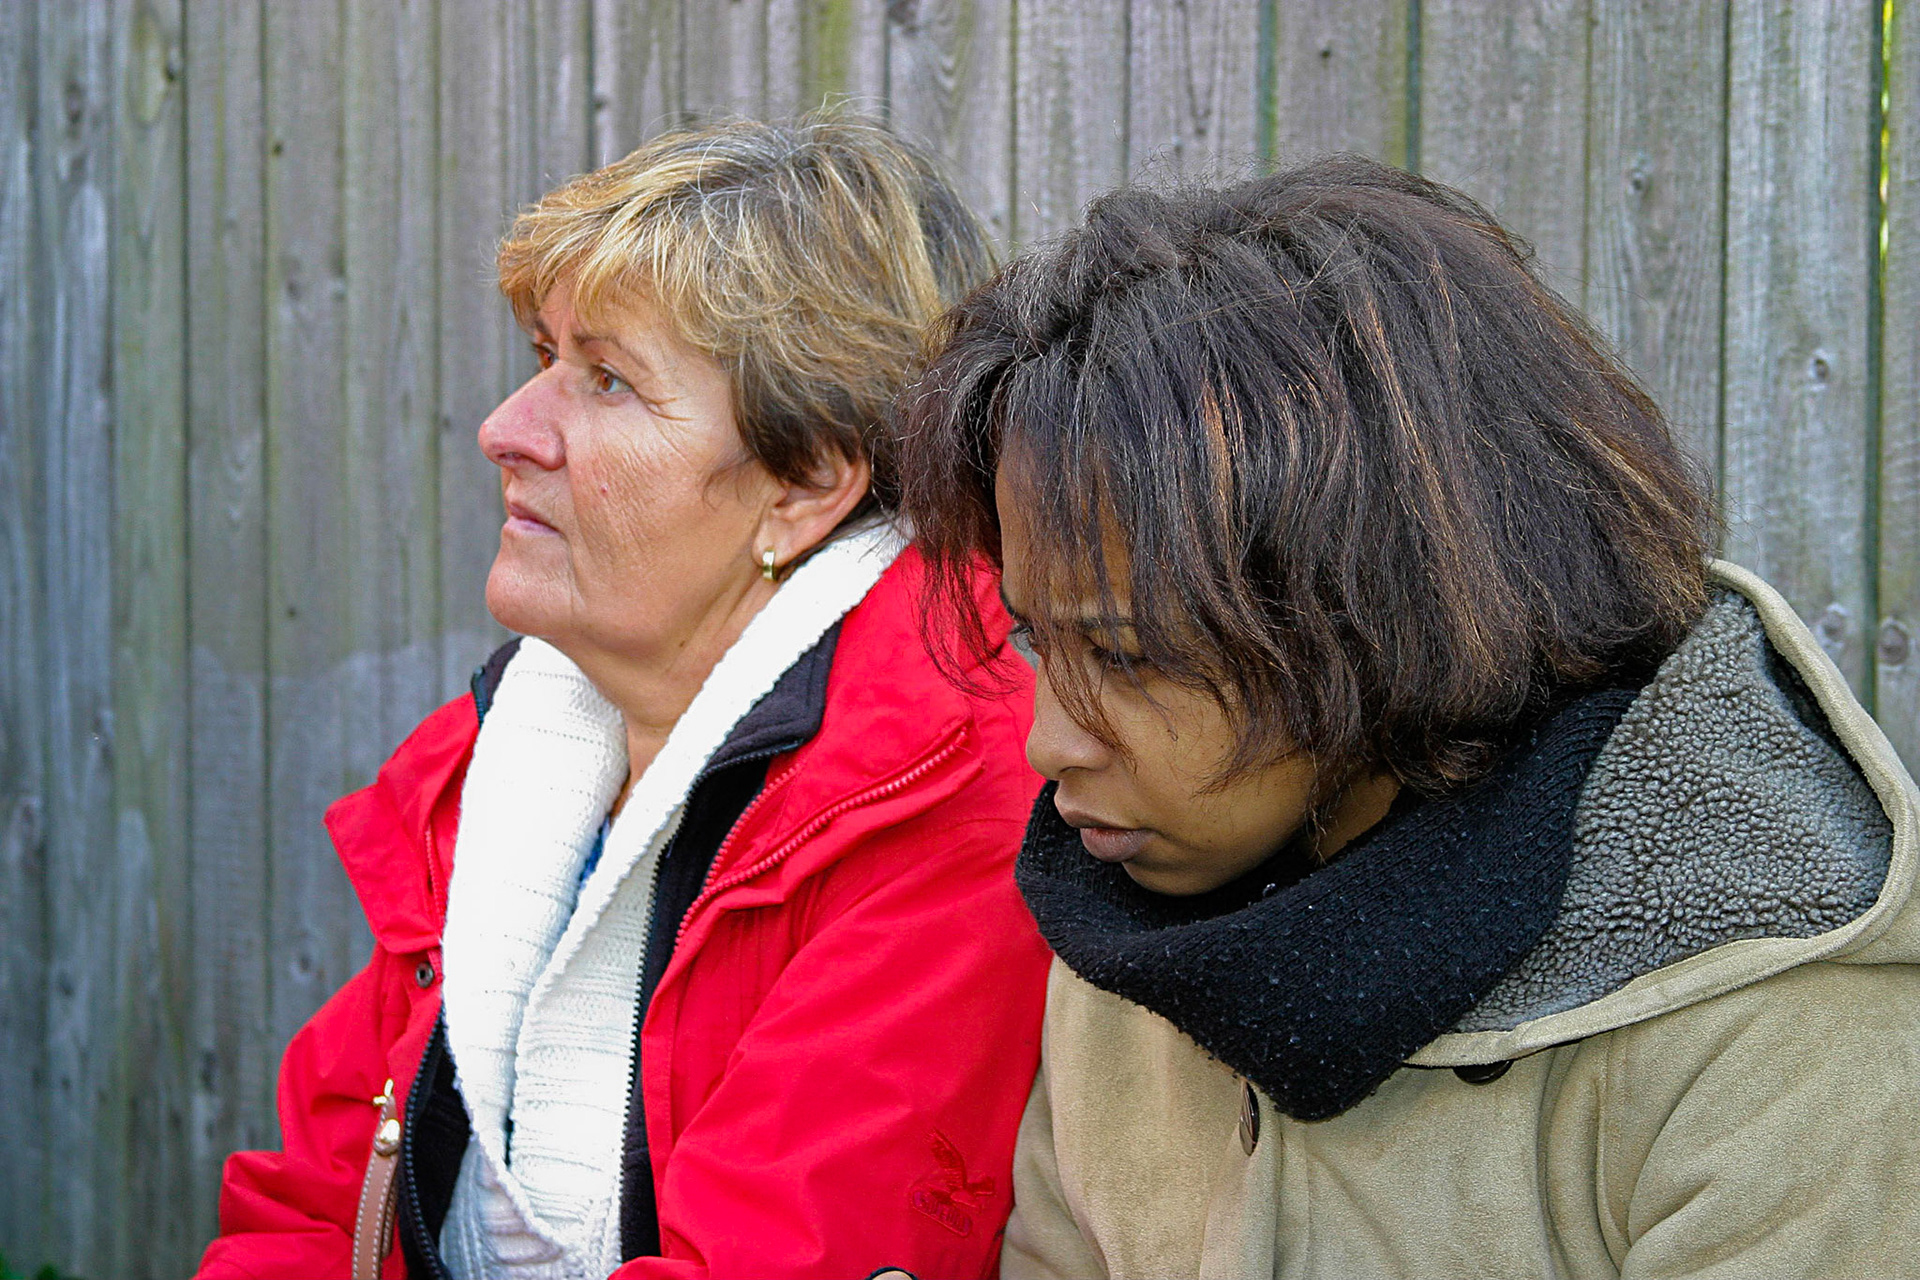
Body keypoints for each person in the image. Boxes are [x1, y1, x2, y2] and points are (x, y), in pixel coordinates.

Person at [898, 155, 1920, 1278]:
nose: (1049, 741)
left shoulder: (1773, 1025)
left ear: (1382, 608)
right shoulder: (1133, 905)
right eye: (1043, 640)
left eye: (1132, 653)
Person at [197, 114, 1050, 1280]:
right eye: (545, 355)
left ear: (802, 483)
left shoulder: (945, 796)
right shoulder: (509, 759)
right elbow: (311, 1199)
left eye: (607, 379)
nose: (506, 429)